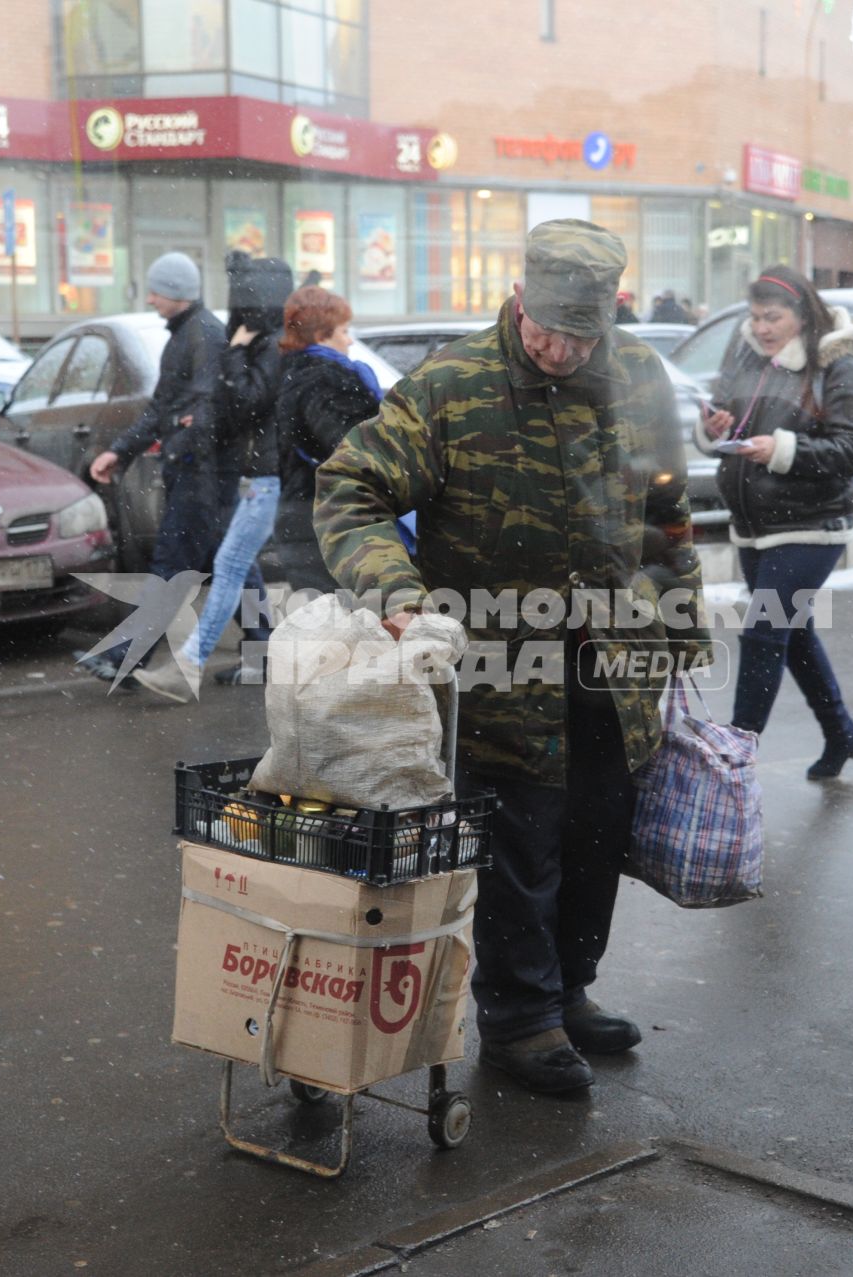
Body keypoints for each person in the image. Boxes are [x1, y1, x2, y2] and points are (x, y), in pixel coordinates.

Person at [316, 220, 707, 1094]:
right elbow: (351, 487)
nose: (562, 350)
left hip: (612, 658)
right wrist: (397, 595)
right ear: (519, 297)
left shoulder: (638, 375)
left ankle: (570, 993)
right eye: (547, 329)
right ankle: (520, 1019)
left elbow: (666, 510)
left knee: (598, 834)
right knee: (520, 844)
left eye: (581, 334)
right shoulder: (454, 386)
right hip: (498, 665)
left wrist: (682, 626)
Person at [705, 267, 853, 780]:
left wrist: (782, 450)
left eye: (772, 317)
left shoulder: (836, 368)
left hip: (811, 524)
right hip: (755, 524)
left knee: (762, 631)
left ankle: (736, 755)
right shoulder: (746, 356)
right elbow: (724, 420)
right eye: (755, 317)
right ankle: (841, 733)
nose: (761, 327)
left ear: (803, 316)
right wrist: (712, 427)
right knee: (791, 632)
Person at [135, 253, 293, 701]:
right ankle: (259, 656)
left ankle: (189, 665)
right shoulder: (268, 340)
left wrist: (238, 350)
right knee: (234, 566)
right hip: (263, 476)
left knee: (229, 567)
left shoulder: (268, 344)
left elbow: (246, 402)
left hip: (271, 477)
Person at [82, 251, 226, 682]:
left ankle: (125, 658)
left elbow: (205, 411)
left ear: (177, 292)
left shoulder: (203, 337)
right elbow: (164, 408)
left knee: (170, 566)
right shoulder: (185, 336)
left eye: (156, 291)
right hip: (199, 473)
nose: (150, 299)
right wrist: (121, 451)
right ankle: (265, 654)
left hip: (201, 475)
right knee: (236, 568)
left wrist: (181, 444)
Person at [272, 285, 383, 595]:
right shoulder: (328, 382)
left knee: (327, 630)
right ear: (322, 335)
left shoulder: (293, 375)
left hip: (304, 520)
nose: (349, 340)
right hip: (331, 527)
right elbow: (355, 452)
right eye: (344, 331)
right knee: (350, 632)